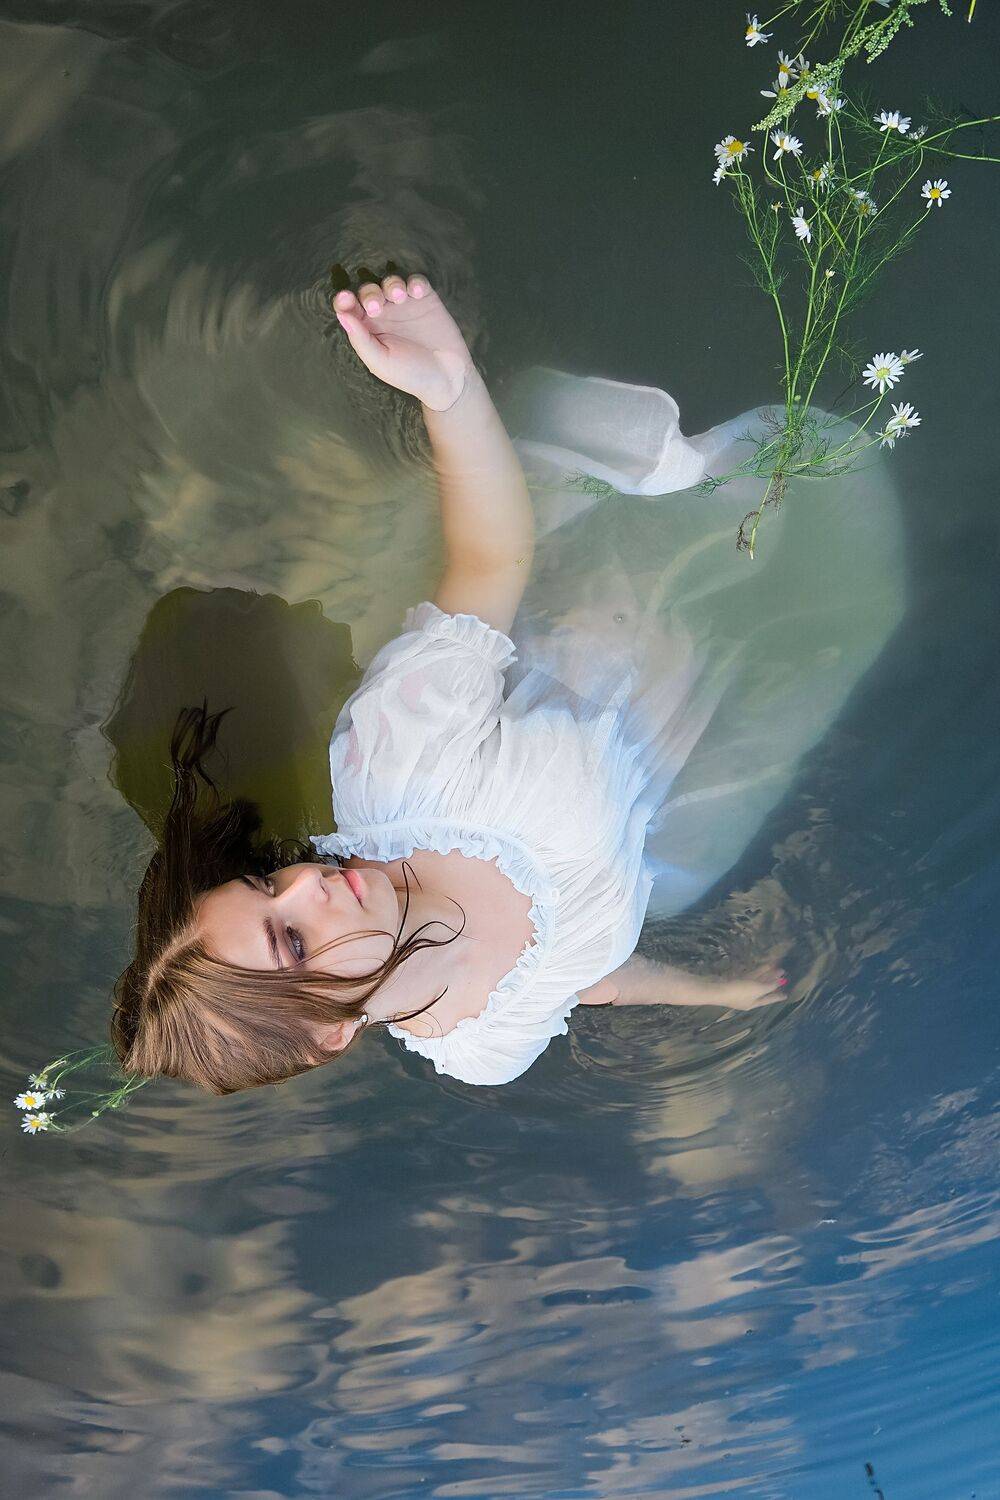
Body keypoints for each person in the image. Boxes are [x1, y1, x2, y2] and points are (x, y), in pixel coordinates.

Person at [110, 266, 905, 1093]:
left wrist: (449, 391)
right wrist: (716, 993)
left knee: (793, 493)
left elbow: (490, 560)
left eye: (266, 882)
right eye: (294, 940)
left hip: (624, 604)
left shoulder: (399, 763)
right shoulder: (484, 1048)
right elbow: (584, 980)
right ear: (329, 1034)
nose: (305, 882)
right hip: (678, 747)